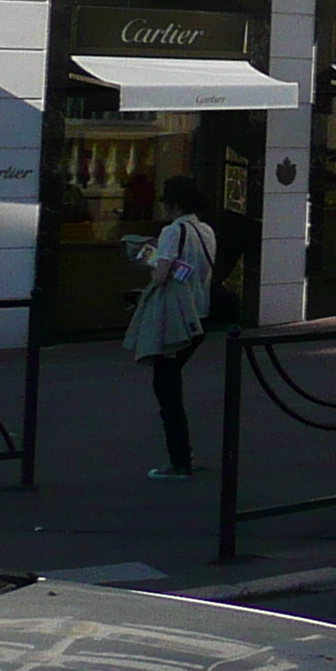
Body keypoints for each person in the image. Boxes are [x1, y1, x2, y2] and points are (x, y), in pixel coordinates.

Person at [123, 175, 216, 481]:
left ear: (174, 204)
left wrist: (147, 260)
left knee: (166, 388)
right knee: (170, 383)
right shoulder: (206, 231)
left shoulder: (172, 231)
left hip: (175, 316)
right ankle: (182, 455)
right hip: (199, 315)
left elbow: (162, 275)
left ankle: (179, 460)